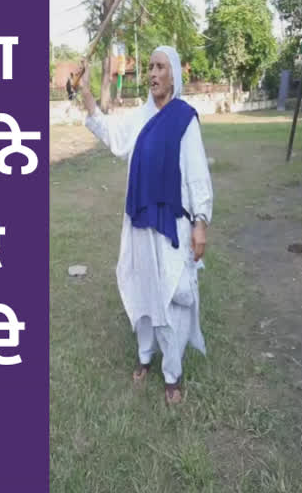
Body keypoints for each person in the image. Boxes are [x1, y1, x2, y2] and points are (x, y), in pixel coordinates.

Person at [77, 46, 213, 405]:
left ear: (174, 76)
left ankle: (172, 373)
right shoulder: (140, 116)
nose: (153, 74)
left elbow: (198, 175)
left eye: (160, 67)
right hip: (139, 220)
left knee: (170, 293)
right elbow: (111, 134)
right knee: (142, 285)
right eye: (150, 67)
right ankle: (144, 355)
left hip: (170, 222)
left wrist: (200, 222)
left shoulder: (185, 118)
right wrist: (87, 93)